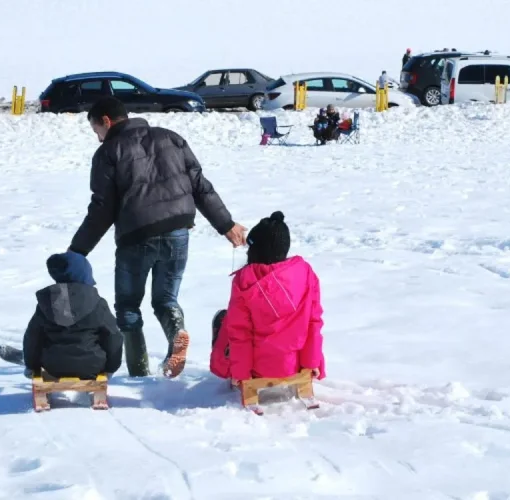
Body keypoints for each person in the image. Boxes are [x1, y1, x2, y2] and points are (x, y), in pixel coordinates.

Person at [69, 96, 246, 378]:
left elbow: (102, 209)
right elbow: (200, 186)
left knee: (128, 306)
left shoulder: (108, 152)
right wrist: (226, 224)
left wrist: (77, 252)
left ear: (106, 121)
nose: (98, 139)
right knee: (165, 300)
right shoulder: (171, 138)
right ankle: (177, 333)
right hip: (178, 231)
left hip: (136, 236)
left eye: (96, 131)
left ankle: (139, 371)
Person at [209, 211, 326, 386]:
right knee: (301, 323)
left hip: (258, 372)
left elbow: (240, 333)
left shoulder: (245, 281)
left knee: (226, 322)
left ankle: (229, 368)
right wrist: (312, 363)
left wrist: (241, 374)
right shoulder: (304, 273)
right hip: (295, 368)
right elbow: (313, 322)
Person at [0, 252, 124, 380]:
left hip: (52, 367)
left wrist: (32, 366)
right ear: (86, 274)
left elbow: (33, 337)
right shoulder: (97, 303)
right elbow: (113, 336)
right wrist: (110, 368)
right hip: (92, 367)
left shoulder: (48, 302)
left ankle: (24, 357)